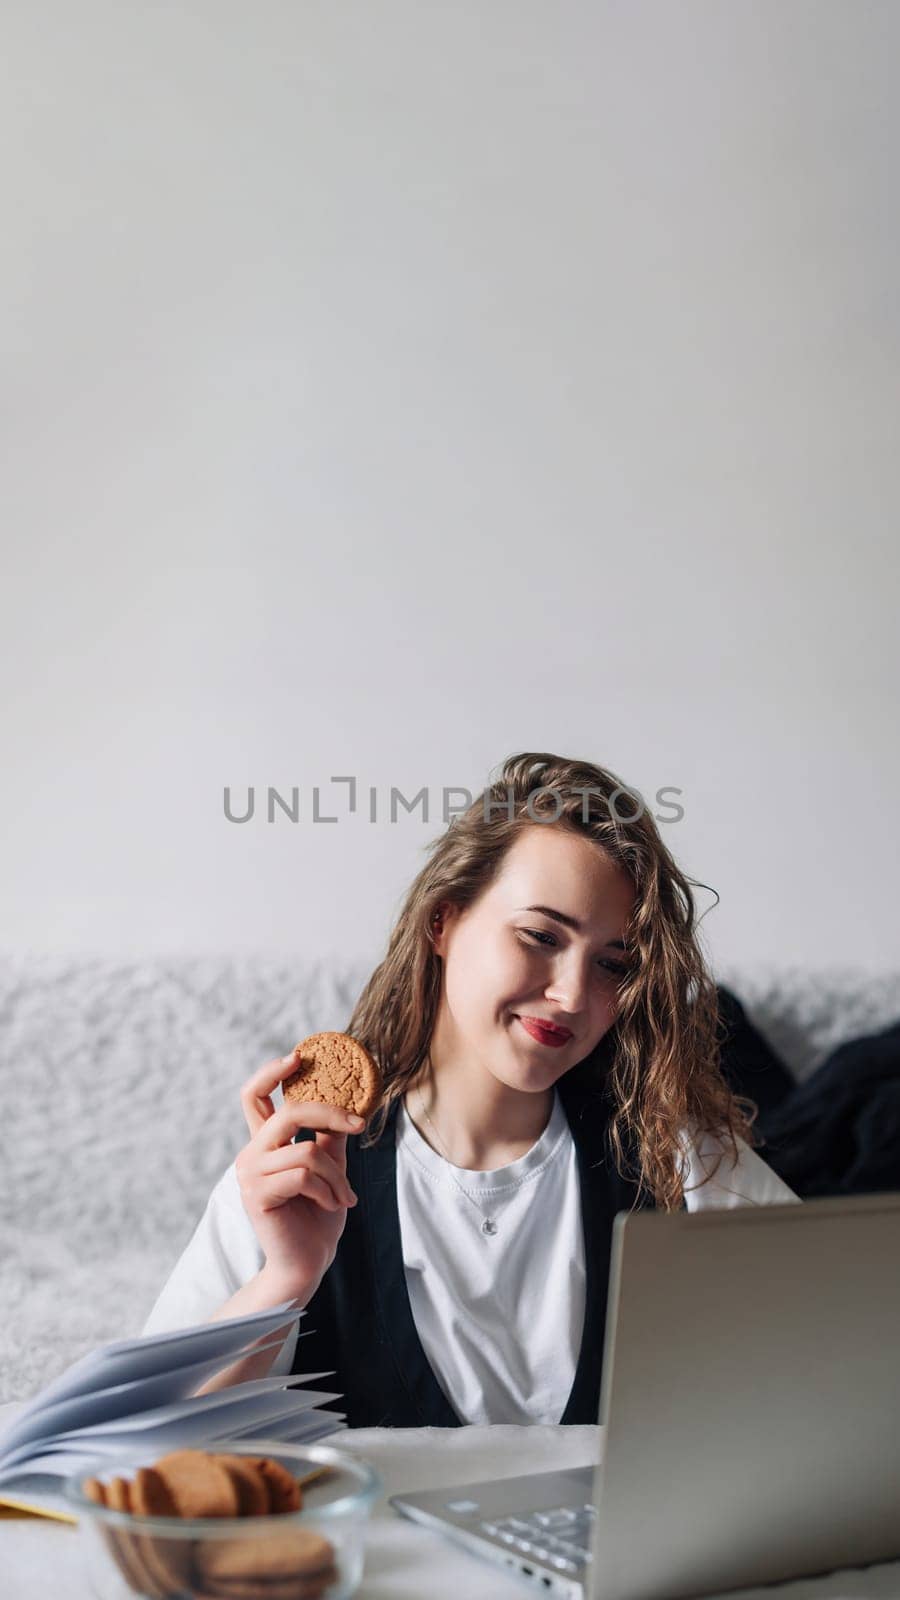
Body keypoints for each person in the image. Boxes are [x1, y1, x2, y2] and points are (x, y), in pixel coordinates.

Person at [142, 751, 799, 1426]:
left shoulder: (674, 1154)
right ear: (443, 922)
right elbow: (138, 1448)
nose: (572, 994)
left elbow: (843, 1346)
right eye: (540, 935)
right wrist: (285, 1279)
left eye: (611, 964)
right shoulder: (302, 1169)